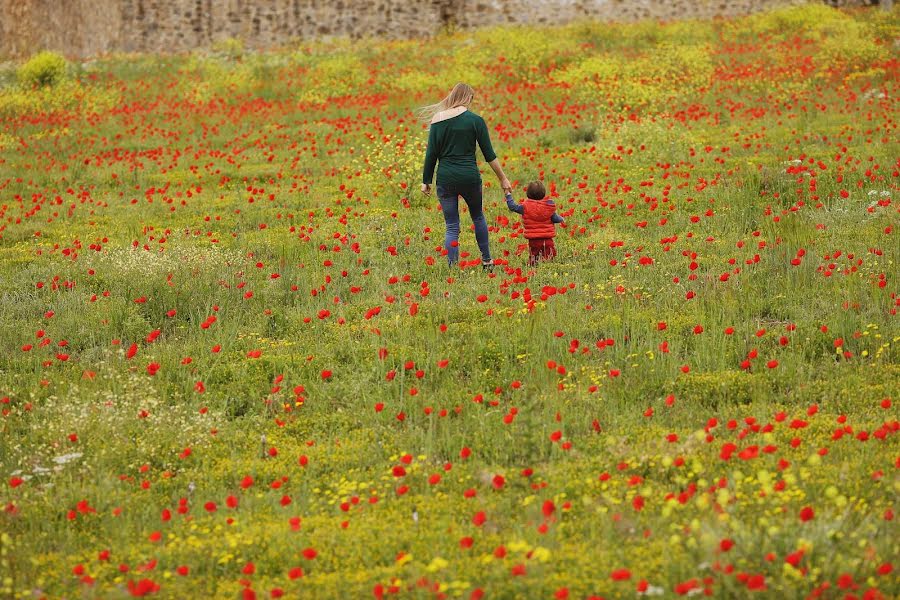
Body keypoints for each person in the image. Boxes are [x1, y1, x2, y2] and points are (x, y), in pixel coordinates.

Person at [419, 83, 511, 270]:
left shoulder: (437, 119)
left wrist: (426, 181)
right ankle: (487, 261)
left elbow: (431, 154)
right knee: (478, 217)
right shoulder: (475, 120)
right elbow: (489, 155)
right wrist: (503, 178)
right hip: (469, 177)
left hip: (446, 179)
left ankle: (453, 268)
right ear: (468, 98)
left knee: (452, 226)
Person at [505, 180, 564, 266]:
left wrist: (508, 195)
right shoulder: (548, 207)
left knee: (534, 256)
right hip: (547, 239)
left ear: (528, 194)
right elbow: (555, 218)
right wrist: (562, 219)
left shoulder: (525, 207)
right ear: (543, 193)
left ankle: (533, 268)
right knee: (549, 257)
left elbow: (513, 207)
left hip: (534, 240)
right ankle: (547, 268)